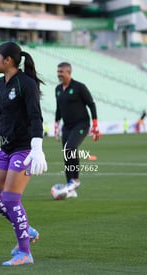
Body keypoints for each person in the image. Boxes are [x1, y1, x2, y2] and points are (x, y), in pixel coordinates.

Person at [0, 41, 47, 266]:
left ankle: (25, 253)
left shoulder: (26, 84)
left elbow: (36, 117)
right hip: (6, 147)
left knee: (10, 198)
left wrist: (37, 148)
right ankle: (25, 228)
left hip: (24, 149)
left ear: (8, 61)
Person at [54, 62, 100, 198]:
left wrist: (95, 124)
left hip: (82, 124)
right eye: (58, 72)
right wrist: (56, 124)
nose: (59, 74)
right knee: (66, 154)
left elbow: (91, 104)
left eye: (61, 72)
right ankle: (71, 187)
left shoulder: (79, 87)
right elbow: (58, 108)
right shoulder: (57, 89)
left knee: (71, 147)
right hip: (66, 126)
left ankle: (76, 180)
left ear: (69, 72)